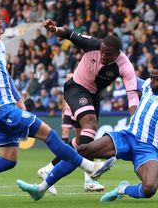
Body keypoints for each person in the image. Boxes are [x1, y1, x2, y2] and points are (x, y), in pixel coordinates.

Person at [0, 6, 115, 206]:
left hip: (5, 109)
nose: (2, 30)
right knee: (49, 134)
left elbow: (6, 77)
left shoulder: (0, 47)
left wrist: (19, 99)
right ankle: (90, 167)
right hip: (1, 110)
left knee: (8, 160)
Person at [16, 62, 158, 202]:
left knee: (149, 189)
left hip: (148, 149)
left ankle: (123, 189)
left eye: (156, 78)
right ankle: (41, 189)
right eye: (150, 77)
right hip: (127, 137)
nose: (151, 81)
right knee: (82, 150)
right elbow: (129, 77)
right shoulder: (149, 85)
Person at [36, 19, 139, 192]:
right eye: (102, 52)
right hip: (75, 87)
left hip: (93, 95)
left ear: (117, 54)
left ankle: (49, 170)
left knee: (83, 141)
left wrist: (135, 119)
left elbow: (132, 95)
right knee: (90, 123)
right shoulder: (91, 44)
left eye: (108, 55)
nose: (104, 57)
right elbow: (69, 34)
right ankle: (90, 171)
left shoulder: (125, 65)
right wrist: (54, 29)